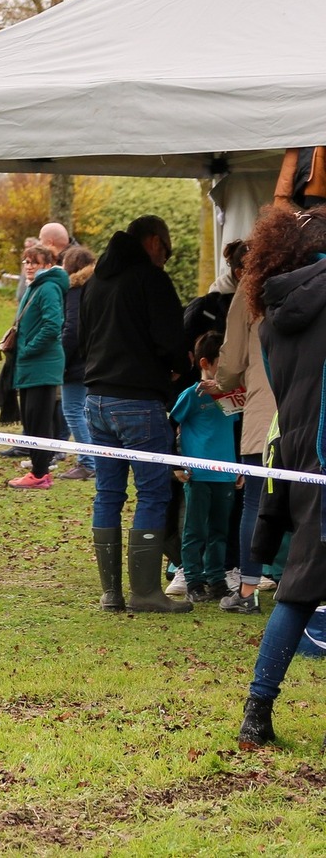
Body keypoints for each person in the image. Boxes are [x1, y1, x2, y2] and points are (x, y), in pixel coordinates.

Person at [235, 203, 326, 748]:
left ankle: (257, 712)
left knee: (299, 588)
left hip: (299, 460)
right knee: (299, 590)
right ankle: (256, 709)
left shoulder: (272, 318)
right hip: (319, 453)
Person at [77, 215, 192, 614]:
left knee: (108, 492)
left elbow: (82, 339)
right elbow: (170, 338)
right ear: (154, 241)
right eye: (167, 249)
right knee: (154, 492)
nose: (166, 257)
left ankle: (111, 593)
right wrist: (178, 366)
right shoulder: (151, 280)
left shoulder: (95, 282)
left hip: (96, 400)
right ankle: (145, 592)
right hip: (139, 401)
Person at [213, 241, 281, 615]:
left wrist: (223, 382)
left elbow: (232, 359)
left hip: (265, 410)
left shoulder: (251, 287)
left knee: (255, 501)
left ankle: (247, 590)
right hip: (312, 412)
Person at [170, 331, 239, 602]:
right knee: (195, 530)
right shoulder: (191, 395)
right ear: (204, 363)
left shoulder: (232, 395)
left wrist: (239, 466)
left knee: (219, 531)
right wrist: (176, 464)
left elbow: (239, 430)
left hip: (226, 475)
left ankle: (216, 579)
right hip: (198, 476)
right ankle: (194, 581)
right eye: (222, 364)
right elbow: (170, 425)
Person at [7, 244, 68, 490]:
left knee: (39, 421)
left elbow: (53, 325)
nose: (29, 266)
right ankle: (38, 470)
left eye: (35, 262)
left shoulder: (49, 287)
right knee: (31, 420)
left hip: (42, 365)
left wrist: (29, 349)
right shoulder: (36, 286)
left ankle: (40, 474)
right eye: (26, 262)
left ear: (48, 265)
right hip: (30, 365)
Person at [57, 246, 98, 480]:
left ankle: (88, 462)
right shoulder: (96, 288)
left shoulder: (75, 290)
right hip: (92, 358)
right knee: (84, 411)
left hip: (76, 362)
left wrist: (61, 359)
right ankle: (93, 460)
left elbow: (72, 328)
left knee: (72, 410)